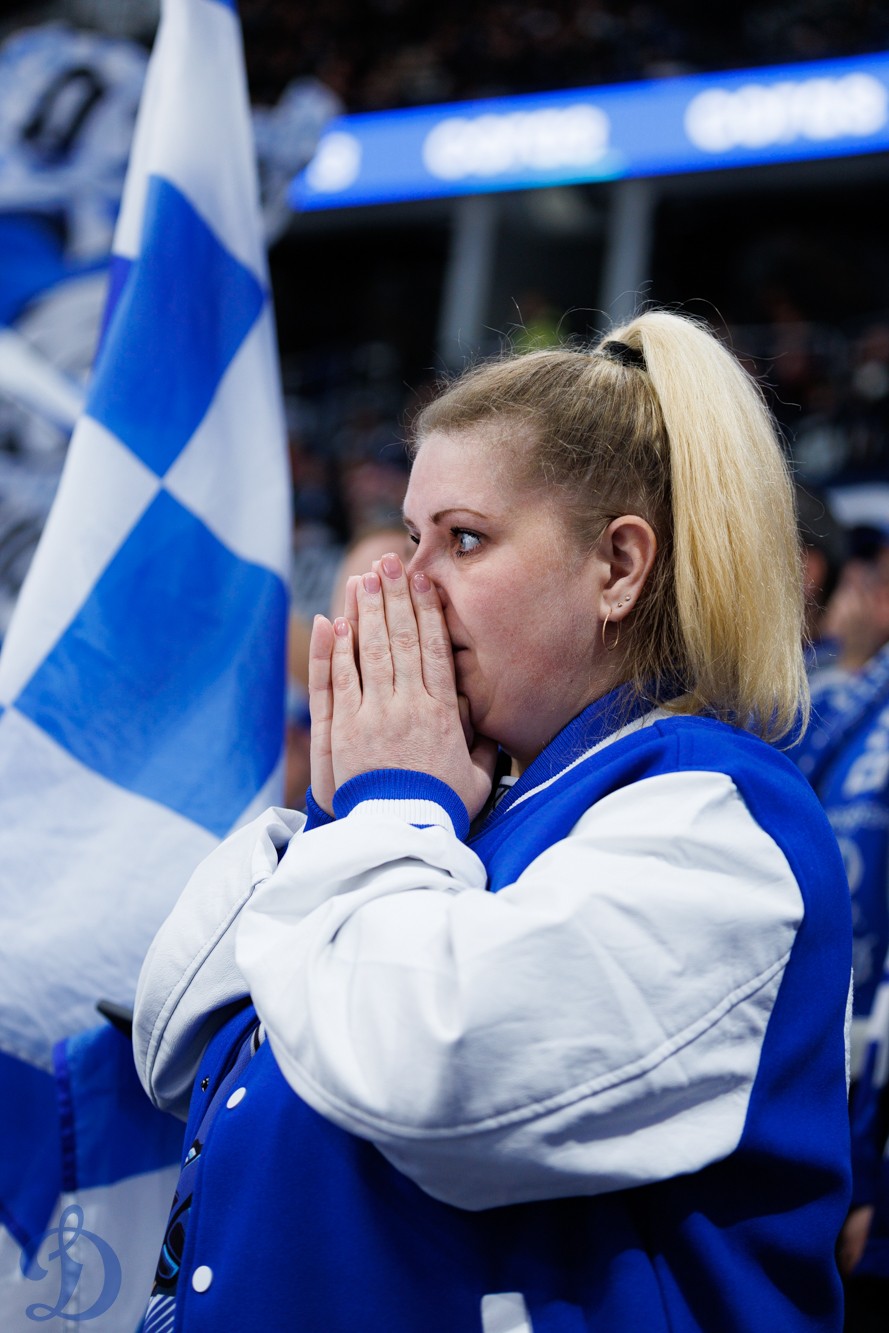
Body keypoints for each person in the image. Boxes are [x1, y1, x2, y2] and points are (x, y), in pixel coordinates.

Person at [133, 309, 852, 1333]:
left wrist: (389, 804)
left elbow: (424, 1071)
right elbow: (178, 1035)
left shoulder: (721, 818)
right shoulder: (459, 804)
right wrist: (351, 809)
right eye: (410, 537)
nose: (403, 585)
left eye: (463, 539)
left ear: (618, 567)